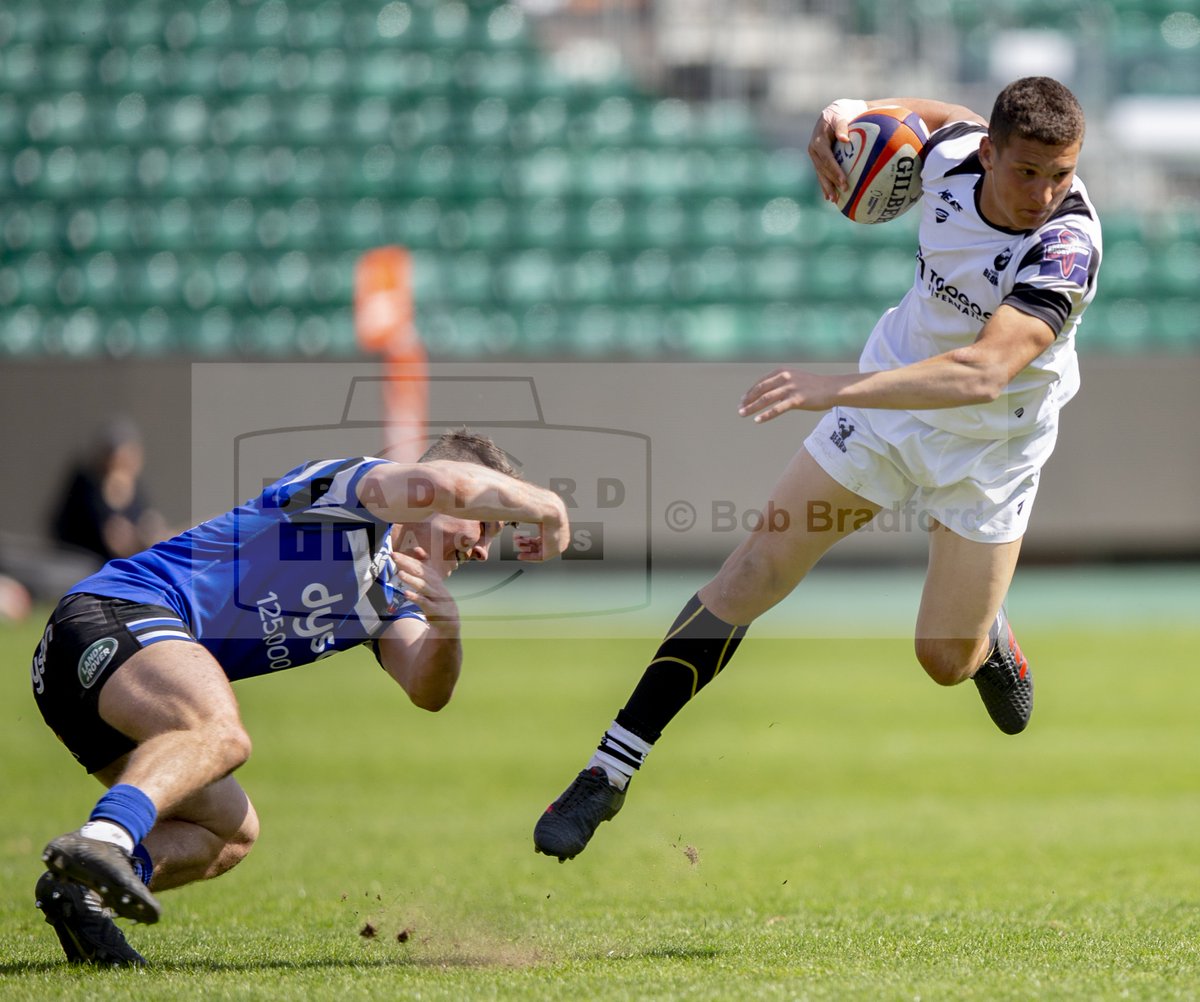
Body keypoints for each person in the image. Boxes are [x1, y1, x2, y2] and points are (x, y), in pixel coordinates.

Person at [533, 76, 1101, 862]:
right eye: (1026, 171)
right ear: (991, 151)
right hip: (885, 412)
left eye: (1061, 174)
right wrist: (851, 110)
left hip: (989, 447)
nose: (1043, 192)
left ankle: (986, 640)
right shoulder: (958, 152)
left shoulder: (1066, 247)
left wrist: (832, 387)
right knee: (753, 572)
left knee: (944, 660)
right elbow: (937, 116)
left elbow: (980, 374)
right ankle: (608, 770)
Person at [31, 431, 570, 966]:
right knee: (218, 733)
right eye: (484, 524)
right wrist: (550, 508)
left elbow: (427, 691)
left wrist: (446, 627)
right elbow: (447, 481)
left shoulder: (390, 594)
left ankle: (83, 892)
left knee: (229, 833)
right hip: (114, 612)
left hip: (82, 683)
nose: (482, 547)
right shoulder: (357, 494)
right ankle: (103, 839)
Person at [51, 418, 169, 565]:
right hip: (85, 566)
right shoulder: (87, 485)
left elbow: (146, 523)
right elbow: (113, 538)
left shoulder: (137, 488)